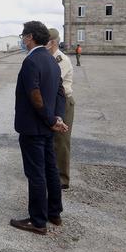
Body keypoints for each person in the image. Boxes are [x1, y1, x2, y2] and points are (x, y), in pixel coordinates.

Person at [10, 21, 69, 235]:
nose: (22, 39)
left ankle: (37, 221)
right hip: (47, 125)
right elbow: (60, 92)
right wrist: (57, 117)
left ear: (31, 37)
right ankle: (54, 212)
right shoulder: (52, 60)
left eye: (23, 35)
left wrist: (50, 119)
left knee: (36, 173)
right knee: (51, 169)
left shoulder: (31, 61)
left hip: (34, 126)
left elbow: (34, 95)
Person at [48, 28, 75, 189]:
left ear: (53, 42)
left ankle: (62, 179)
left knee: (61, 141)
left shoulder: (60, 59)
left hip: (63, 102)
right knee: (51, 140)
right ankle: (52, 173)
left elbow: (54, 83)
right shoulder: (50, 58)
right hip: (53, 101)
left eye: (46, 41)